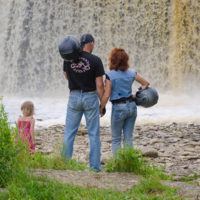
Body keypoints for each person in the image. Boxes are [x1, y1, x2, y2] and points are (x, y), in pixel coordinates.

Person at [62, 33, 105, 171]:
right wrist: (102, 105)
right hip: (90, 97)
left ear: (80, 43)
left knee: (69, 132)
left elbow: (66, 75)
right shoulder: (96, 60)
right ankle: (95, 168)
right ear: (91, 44)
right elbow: (99, 85)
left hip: (74, 97)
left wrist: (76, 79)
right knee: (93, 134)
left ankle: (64, 165)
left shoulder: (69, 57)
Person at [100, 47, 149, 157]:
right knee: (128, 137)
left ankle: (118, 165)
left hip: (118, 108)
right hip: (132, 106)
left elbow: (107, 95)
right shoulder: (132, 73)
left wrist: (100, 107)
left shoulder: (110, 75)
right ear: (126, 60)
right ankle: (128, 164)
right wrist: (136, 95)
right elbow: (145, 83)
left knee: (116, 138)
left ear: (112, 60)